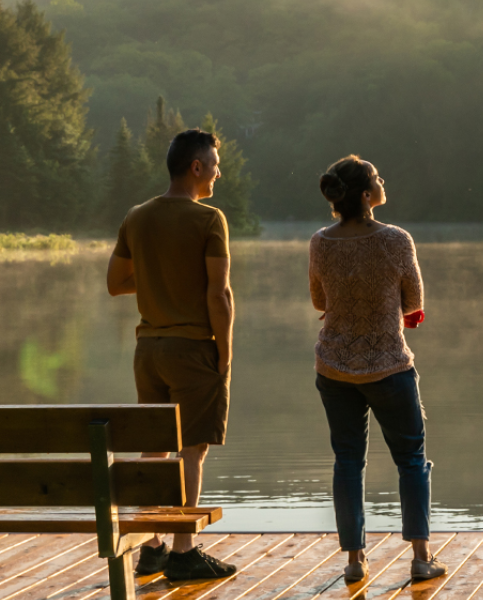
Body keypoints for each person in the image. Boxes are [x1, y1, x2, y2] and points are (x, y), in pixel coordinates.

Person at [309, 154, 448, 582]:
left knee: (347, 462)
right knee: (411, 459)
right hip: (388, 365)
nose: (383, 181)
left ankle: (354, 563)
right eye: (377, 178)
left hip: (333, 368)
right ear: (368, 195)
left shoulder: (320, 241)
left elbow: (319, 302)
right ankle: (422, 558)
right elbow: (413, 303)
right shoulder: (396, 240)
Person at [107, 129, 236, 581]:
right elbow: (218, 294)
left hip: (149, 350)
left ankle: (153, 546)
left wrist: (162, 279)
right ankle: (183, 551)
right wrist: (225, 353)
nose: (219, 171)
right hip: (192, 349)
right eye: (215, 164)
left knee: (155, 446)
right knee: (193, 450)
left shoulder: (137, 216)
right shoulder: (209, 219)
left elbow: (116, 283)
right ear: (196, 167)